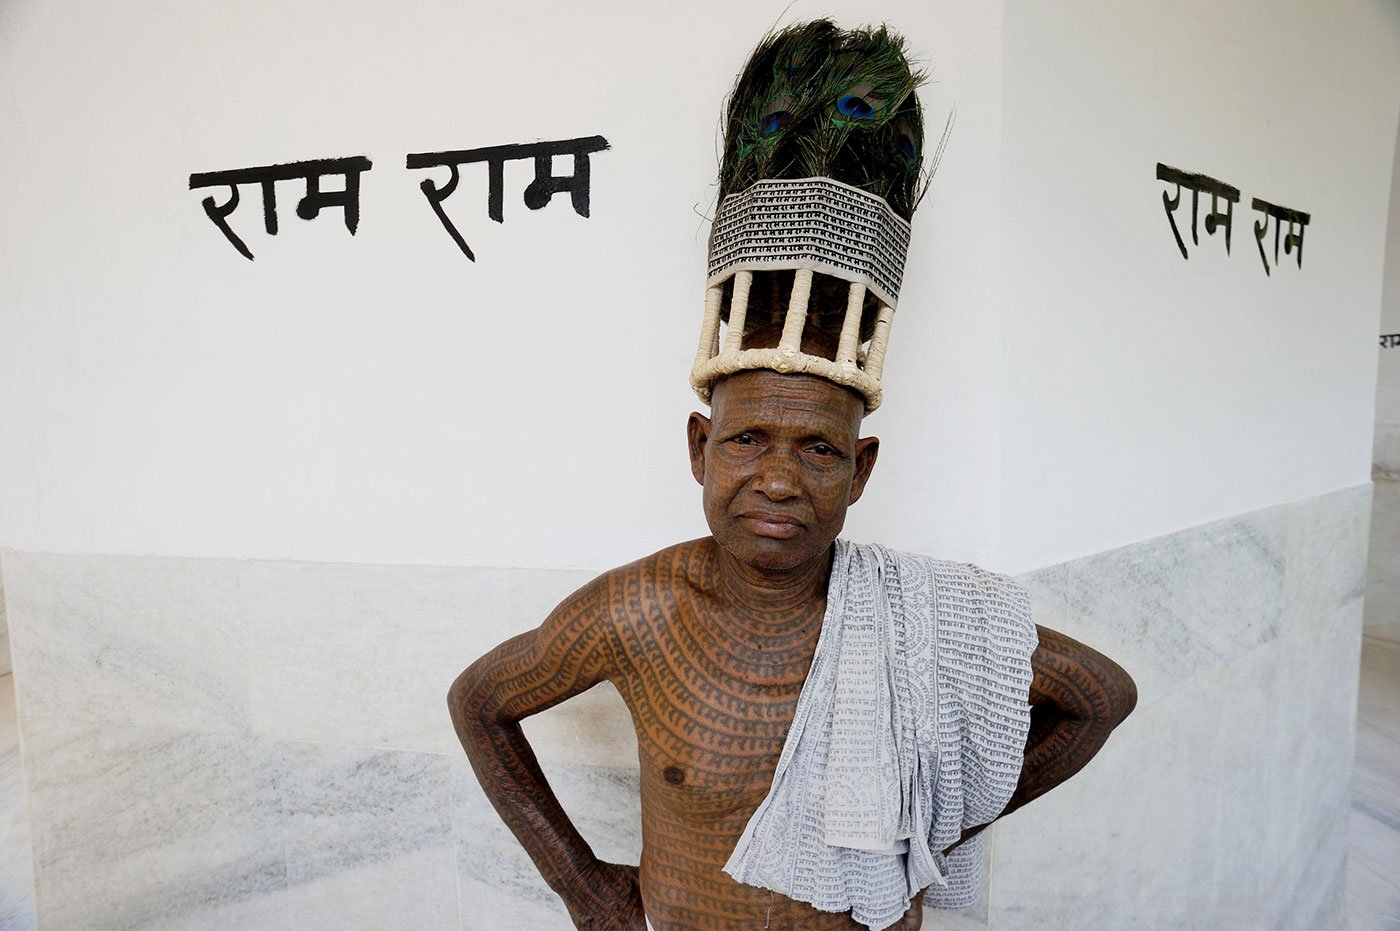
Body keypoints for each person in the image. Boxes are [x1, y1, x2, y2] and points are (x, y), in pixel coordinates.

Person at [449, 20, 1136, 931]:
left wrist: (934, 820)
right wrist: (583, 885)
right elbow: (480, 702)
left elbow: (1101, 697)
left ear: (862, 469)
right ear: (699, 447)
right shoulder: (640, 610)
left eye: (818, 449)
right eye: (746, 441)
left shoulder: (919, 616)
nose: (778, 479)